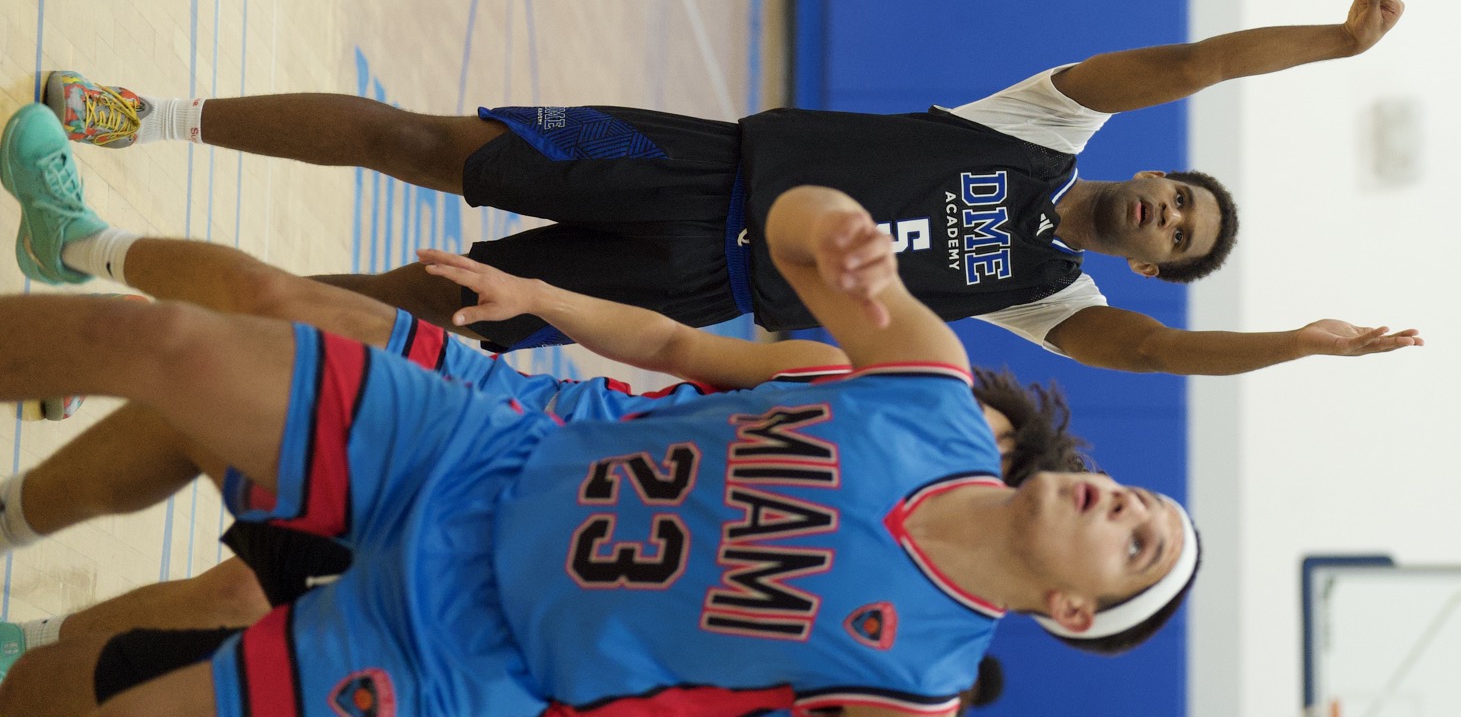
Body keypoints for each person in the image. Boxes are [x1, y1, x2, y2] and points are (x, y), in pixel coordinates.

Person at [0, 156, 1197, 715]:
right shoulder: (920, 391)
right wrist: (835, 227)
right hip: (489, 444)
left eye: (1141, 546)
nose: (1126, 507)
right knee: (194, 349)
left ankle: (28, 639)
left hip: (470, 659)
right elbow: (765, 257)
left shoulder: (913, 683)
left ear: (1073, 613)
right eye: (1144, 499)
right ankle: (31, 452)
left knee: (129, 666)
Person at [40, 0, 1421, 377]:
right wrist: (1328, 46)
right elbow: (1183, 64)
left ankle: (139, 333)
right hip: (690, 165)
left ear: (1144, 267)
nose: (1166, 214)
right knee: (419, 141)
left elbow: (1162, 364)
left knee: (407, 310)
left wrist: (1293, 346)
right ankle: (145, 116)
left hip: (700, 281)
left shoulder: (1051, 302)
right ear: (1159, 177)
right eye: (1181, 196)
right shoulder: (1047, 123)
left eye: (1175, 238)